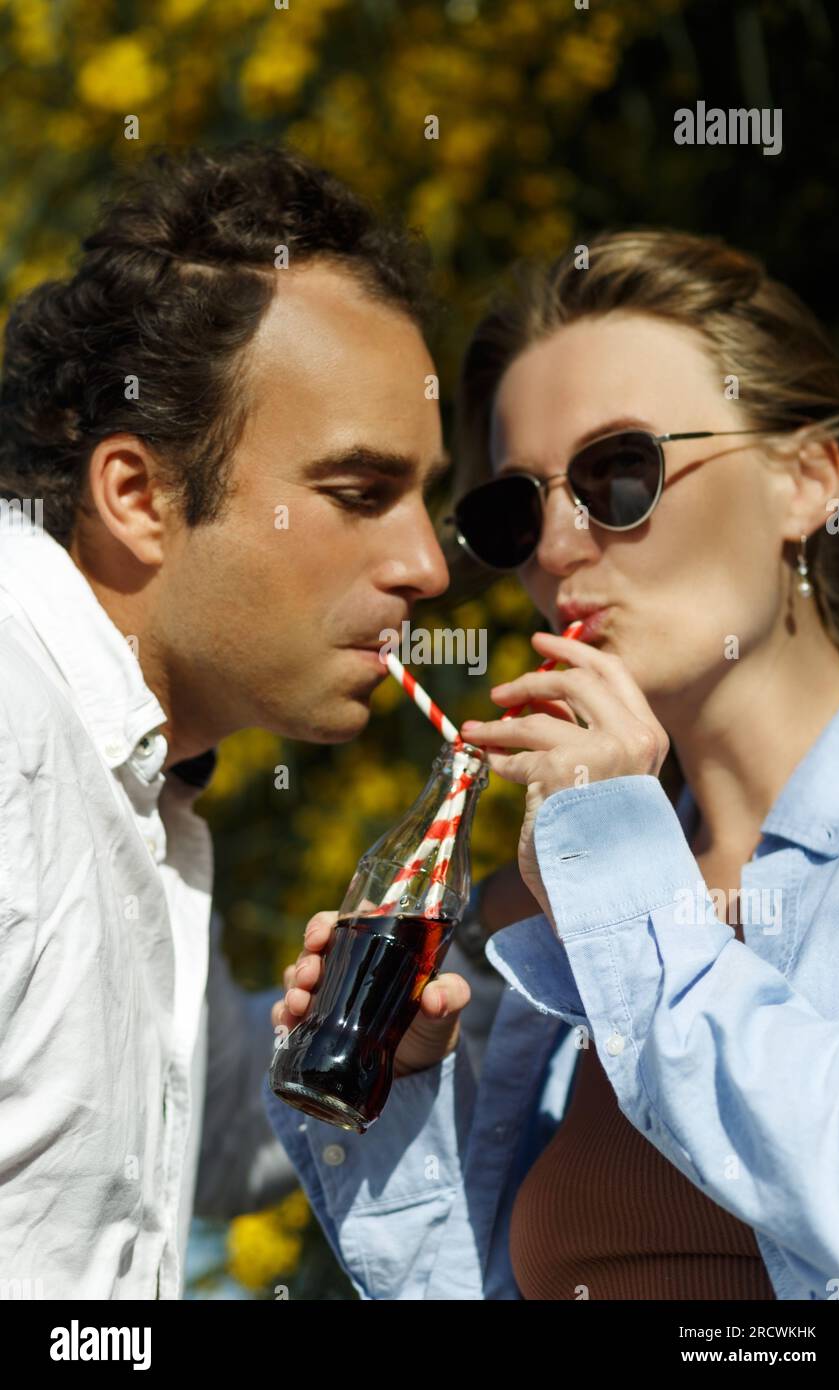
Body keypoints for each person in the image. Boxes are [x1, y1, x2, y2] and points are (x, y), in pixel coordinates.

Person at [265, 229, 839, 1301]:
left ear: (803, 480)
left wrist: (627, 884)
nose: (554, 547)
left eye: (616, 472)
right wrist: (400, 1094)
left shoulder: (611, 882)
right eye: (515, 509)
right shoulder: (548, 903)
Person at [0, 141, 492, 1298]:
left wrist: (384, 1019)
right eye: (358, 494)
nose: (426, 564)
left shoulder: (132, 772)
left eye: (424, 498)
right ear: (139, 495)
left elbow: (192, 1132)